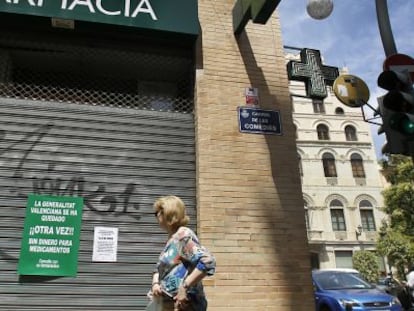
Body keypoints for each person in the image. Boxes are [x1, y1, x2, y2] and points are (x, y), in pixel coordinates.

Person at [148, 195, 216, 311]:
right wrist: (155, 284)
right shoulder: (172, 239)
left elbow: (207, 261)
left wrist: (184, 287)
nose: (156, 216)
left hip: (185, 305)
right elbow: (158, 269)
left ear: (168, 213)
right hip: (167, 303)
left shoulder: (183, 235)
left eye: (158, 212)